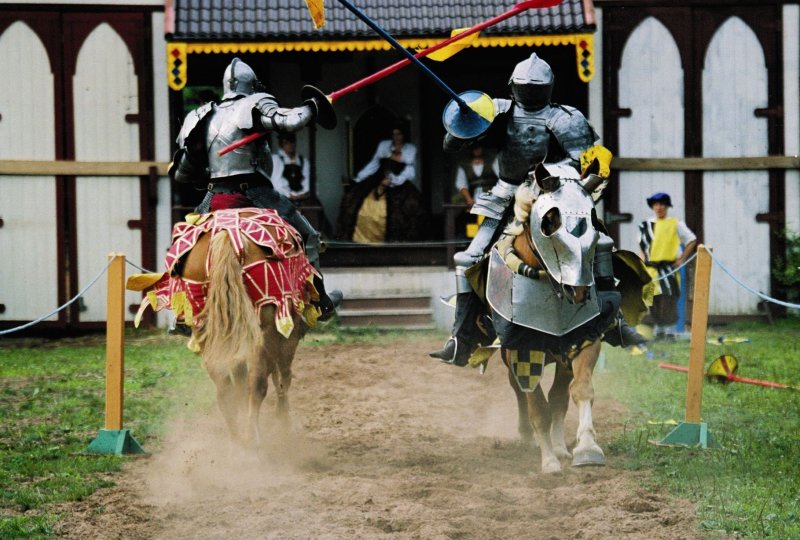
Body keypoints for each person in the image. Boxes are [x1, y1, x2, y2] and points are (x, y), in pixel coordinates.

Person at [430, 52, 644, 366]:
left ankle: (615, 322)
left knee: (599, 244)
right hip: (506, 194)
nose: (529, 93)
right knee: (470, 257)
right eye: (524, 87)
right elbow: (452, 145)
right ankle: (462, 337)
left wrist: (565, 180)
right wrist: (463, 122)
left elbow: (584, 161)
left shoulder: (565, 118)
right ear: (513, 87)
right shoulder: (499, 111)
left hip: (556, 191)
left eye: (534, 88)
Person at [169, 57, 342, 322]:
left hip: (214, 197)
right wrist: (314, 105)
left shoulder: (200, 115)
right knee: (308, 236)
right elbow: (291, 121)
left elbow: (182, 172)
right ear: (251, 84)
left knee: (184, 244)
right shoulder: (254, 102)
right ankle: (319, 301)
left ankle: (181, 316)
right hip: (256, 195)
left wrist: (211, 165)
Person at [336, 123, 425, 242]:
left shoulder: (410, 149)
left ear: (404, 135)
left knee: (404, 210)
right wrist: (358, 178)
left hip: (399, 181)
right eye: (393, 134)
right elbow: (374, 164)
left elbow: (410, 170)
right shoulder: (384, 146)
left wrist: (394, 180)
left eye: (398, 134)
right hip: (380, 179)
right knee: (357, 202)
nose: (396, 137)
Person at [639, 192, 697, 339]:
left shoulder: (675, 223)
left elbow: (691, 240)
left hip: (667, 269)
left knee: (668, 300)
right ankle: (659, 331)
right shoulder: (646, 225)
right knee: (652, 300)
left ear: (667, 206)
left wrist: (682, 258)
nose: (659, 208)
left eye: (662, 205)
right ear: (652, 207)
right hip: (650, 269)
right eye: (656, 205)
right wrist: (641, 263)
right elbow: (642, 247)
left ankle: (669, 332)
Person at [271, 132, 312, 203]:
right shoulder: (276, 159)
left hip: (302, 198)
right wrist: (288, 194)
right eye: (286, 143)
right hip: (283, 198)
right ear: (281, 145)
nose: (290, 145)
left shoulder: (302, 161)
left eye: (292, 142)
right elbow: (275, 182)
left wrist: (303, 194)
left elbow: (307, 180)